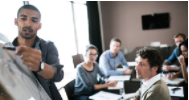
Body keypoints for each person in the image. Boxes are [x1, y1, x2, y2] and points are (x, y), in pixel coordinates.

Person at [1, 5, 64, 100]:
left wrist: (40, 66)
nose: (28, 24)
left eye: (34, 20)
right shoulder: (6, 50)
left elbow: (58, 75)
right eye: (23, 18)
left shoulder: (47, 46)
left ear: (39, 26)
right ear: (16, 21)